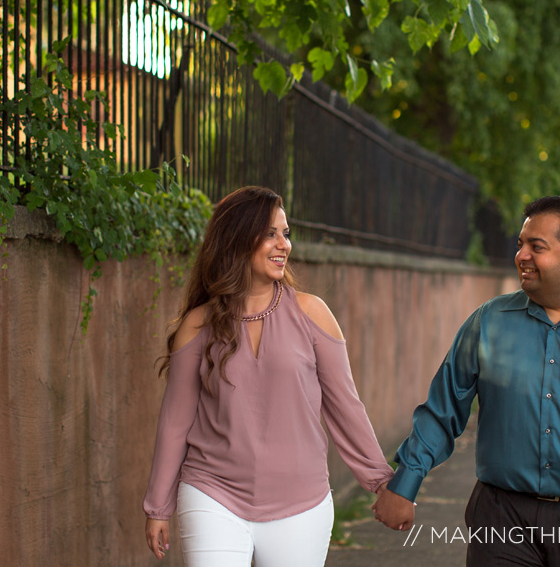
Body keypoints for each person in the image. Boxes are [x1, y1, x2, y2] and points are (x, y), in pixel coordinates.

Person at [372, 196, 560, 566]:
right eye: (521, 244)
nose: (521, 255)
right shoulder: (489, 322)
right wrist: (405, 483)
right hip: (501, 518)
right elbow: (442, 412)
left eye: (537, 247)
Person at [142, 186, 394, 566]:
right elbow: (175, 421)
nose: (284, 245)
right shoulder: (198, 325)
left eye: (286, 233)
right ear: (238, 239)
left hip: (301, 502)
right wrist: (158, 505)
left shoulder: (313, 314)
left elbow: (345, 407)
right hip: (213, 493)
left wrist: (382, 482)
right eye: (270, 233)